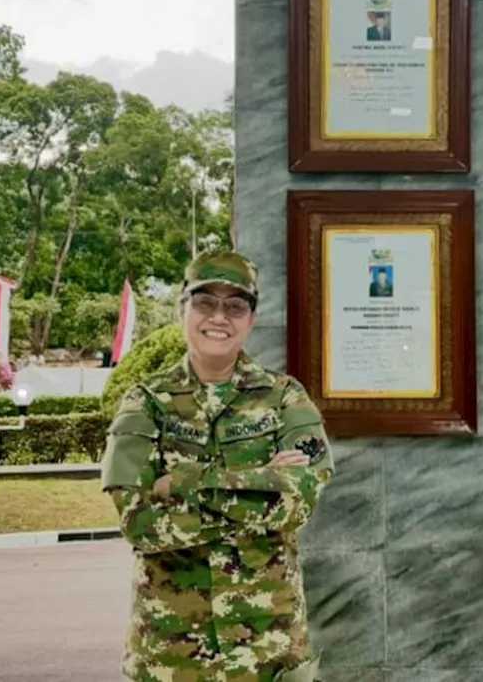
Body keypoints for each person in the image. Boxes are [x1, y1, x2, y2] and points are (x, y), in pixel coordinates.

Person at [100, 251, 334, 682]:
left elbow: (297, 505)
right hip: (172, 655)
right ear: (183, 309)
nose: (219, 317)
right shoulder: (145, 401)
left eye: (235, 305)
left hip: (269, 649)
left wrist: (184, 482)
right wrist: (263, 484)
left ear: (251, 318)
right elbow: (139, 522)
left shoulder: (286, 398)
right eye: (205, 302)